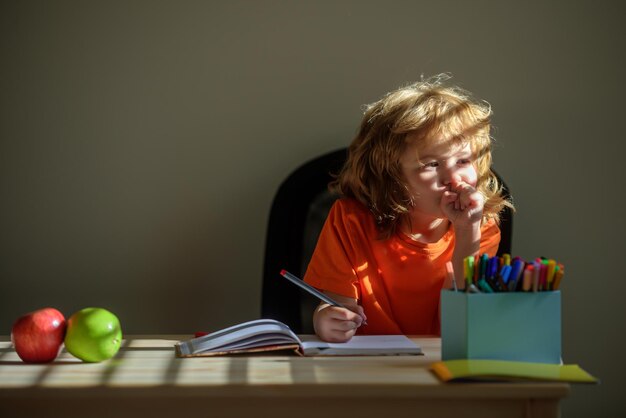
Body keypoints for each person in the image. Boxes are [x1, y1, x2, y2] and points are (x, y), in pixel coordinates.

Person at [303, 74, 513, 342]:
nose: (453, 178)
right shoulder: (349, 220)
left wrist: (466, 233)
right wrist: (326, 319)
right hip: (367, 367)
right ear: (391, 176)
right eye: (431, 165)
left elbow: (464, 324)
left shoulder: (481, 227)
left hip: (443, 364)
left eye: (463, 161)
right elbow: (335, 307)